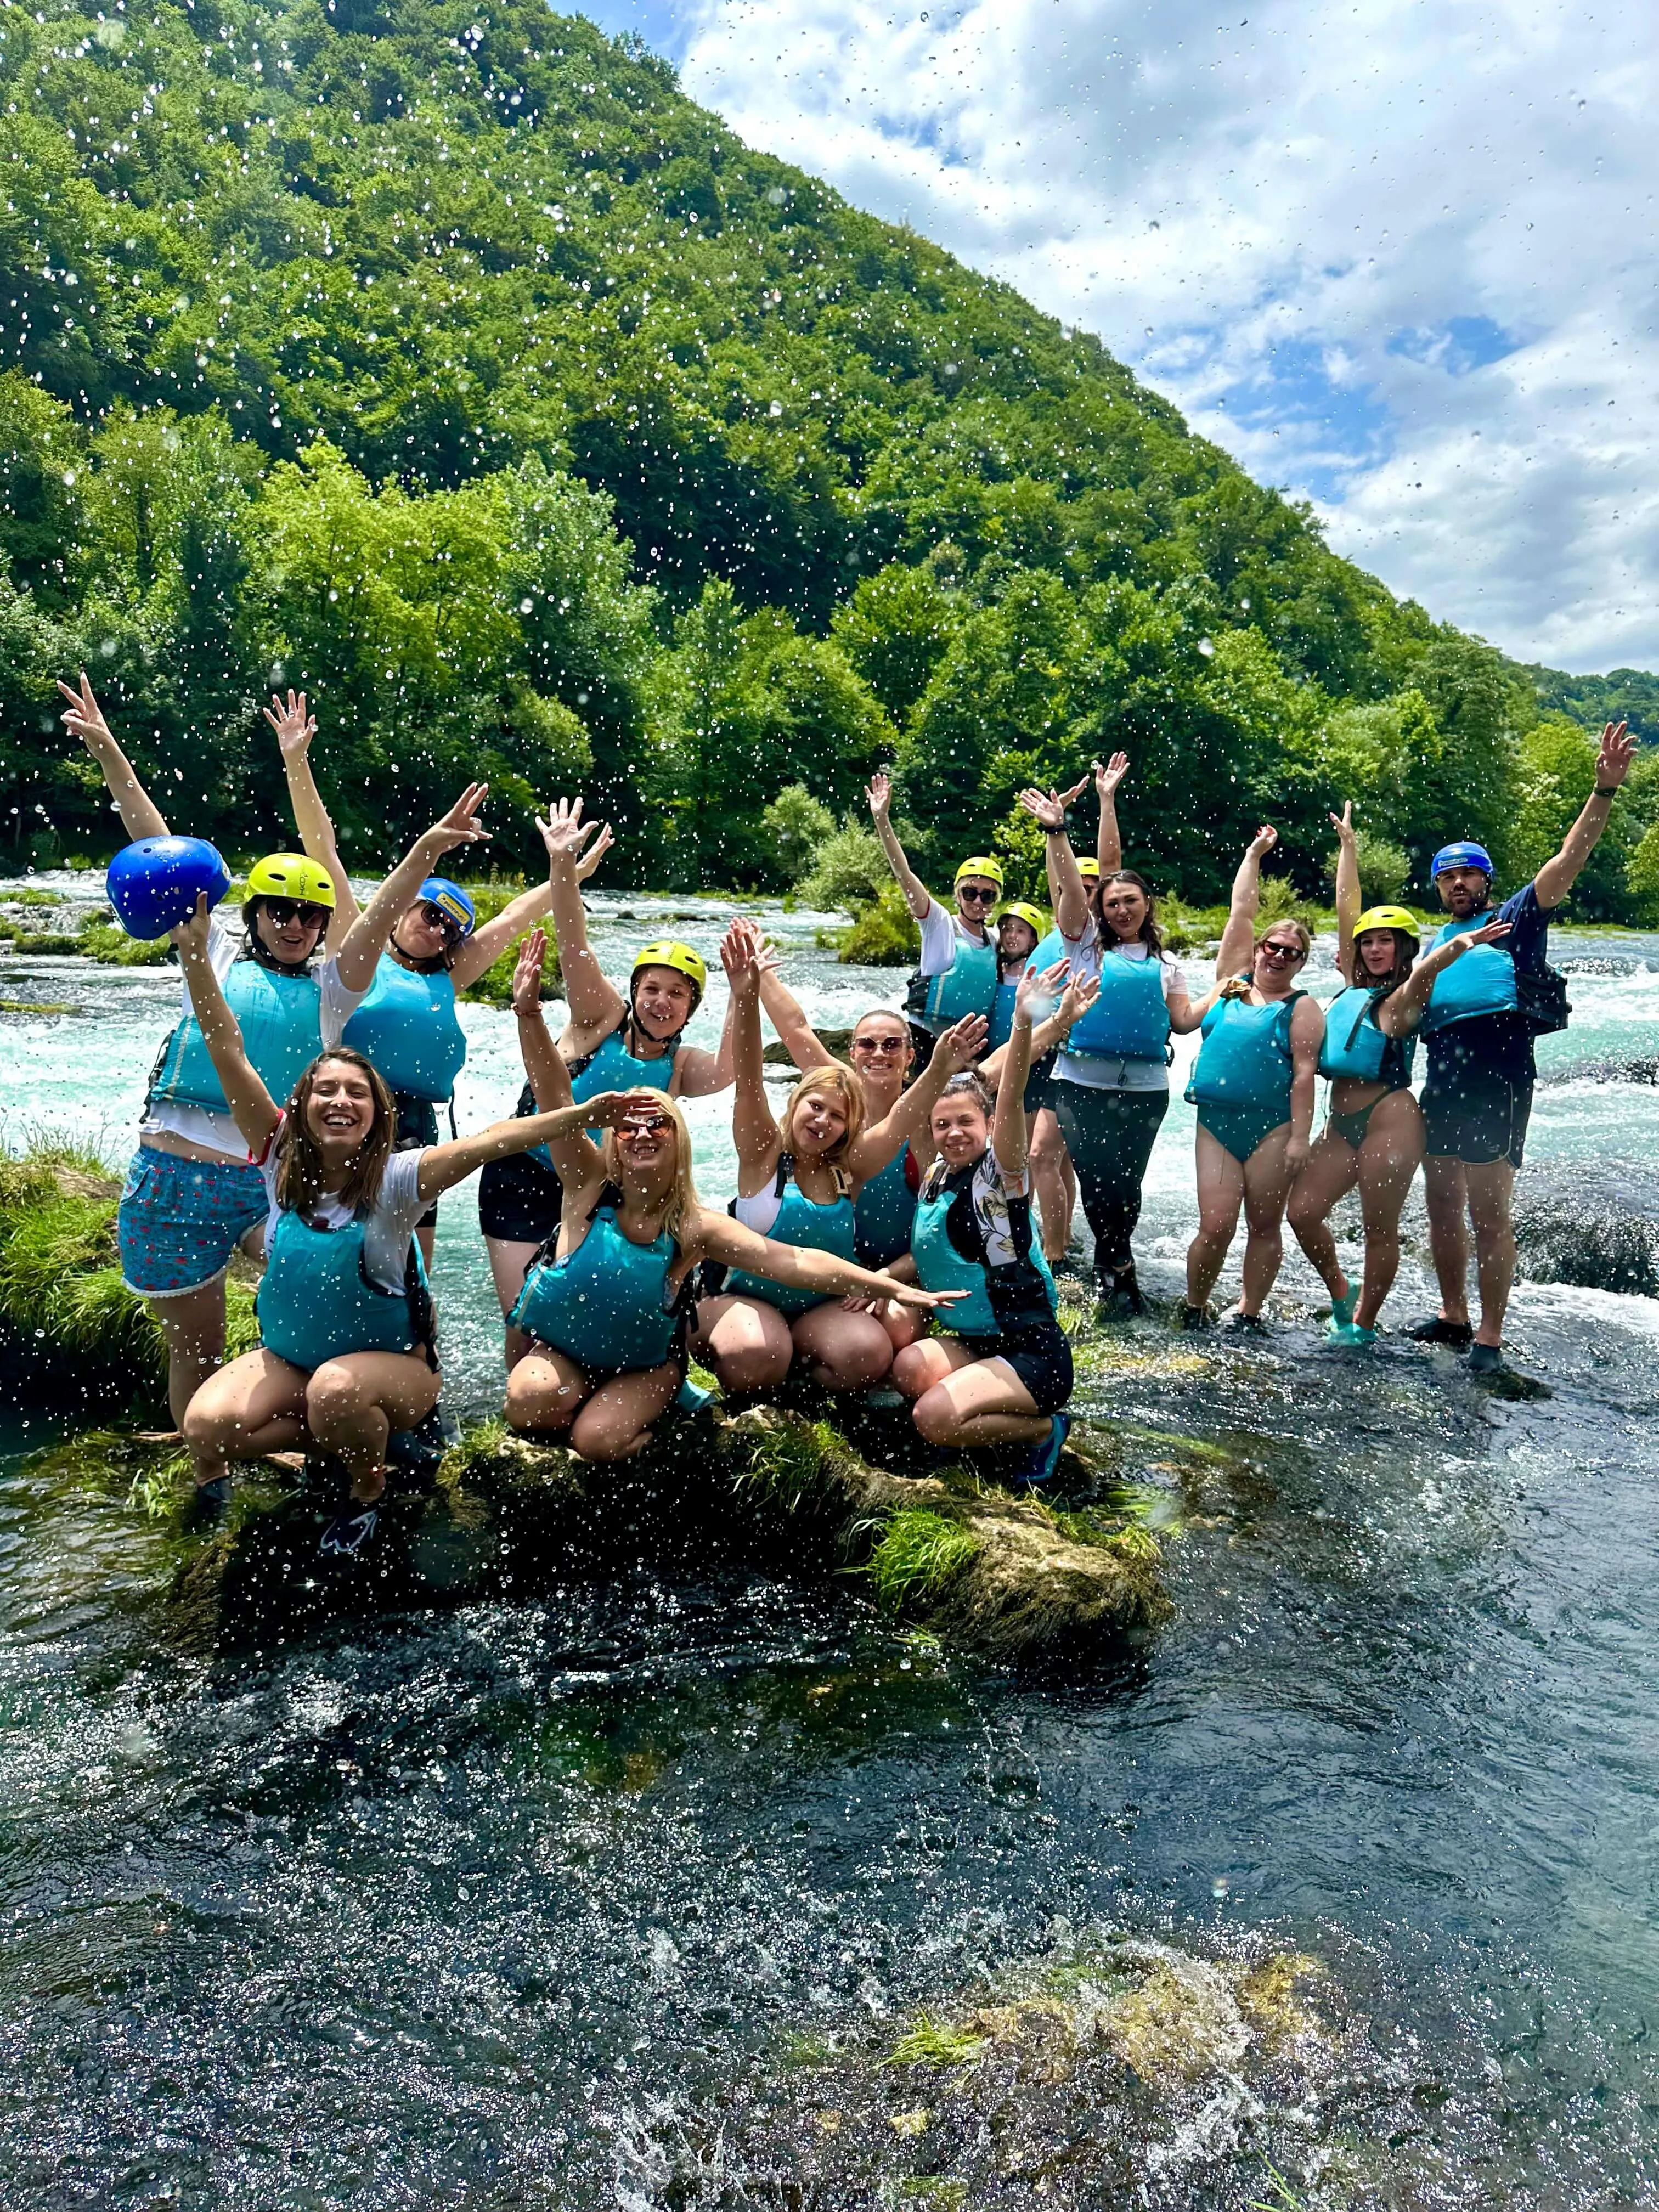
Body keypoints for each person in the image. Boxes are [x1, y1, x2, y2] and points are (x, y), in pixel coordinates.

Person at [164, 903, 596, 1554]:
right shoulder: (277, 1155)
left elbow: (494, 1140)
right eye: (326, 1091)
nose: (341, 1101)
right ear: (301, 1105)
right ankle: (313, 1442)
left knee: (338, 1391)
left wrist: (583, 1113)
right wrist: (198, 956)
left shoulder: (399, 1180)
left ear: (377, 1115)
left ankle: (368, 1484)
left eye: (357, 1094)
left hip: (394, 1373)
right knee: (207, 1424)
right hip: (294, 1363)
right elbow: (228, 1048)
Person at [57, 674, 385, 1460]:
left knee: (334, 1304)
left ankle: (328, 1425)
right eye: (281, 910)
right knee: (195, 1351)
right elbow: (153, 839)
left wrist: (298, 766)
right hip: (175, 1175)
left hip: (272, 1175)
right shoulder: (207, 947)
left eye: (312, 914)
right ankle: (207, 1470)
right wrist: (109, 752)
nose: (299, 924)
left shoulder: (334, 988)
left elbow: (328, 856)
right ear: (252, 916)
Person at [504, 936, 961, 1459]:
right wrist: (529, 1015)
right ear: (610, 1137)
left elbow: (797, 1260)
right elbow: (554, 1092)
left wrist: (893, 1287)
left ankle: (718, 1408)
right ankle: (621, 1400)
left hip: (667, 1356)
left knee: (598, 1439)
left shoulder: (722, 1213)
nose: (645, 1135)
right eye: (632, 1126)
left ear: (680, 1143)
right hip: (618, 1340)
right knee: (527, 1402)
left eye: (660, 1125)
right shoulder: (590, 1180)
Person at [274, 695, 611, 1263]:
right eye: (431, 915)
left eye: (452, 929)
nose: (439, 931)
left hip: (415, 1125)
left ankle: (414, 1344)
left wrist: (567, 874)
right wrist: (296, 761)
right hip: (346, 1109)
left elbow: (510, 921)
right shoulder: (357, 950)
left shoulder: (448, 976)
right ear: (404, 908)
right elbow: (322, 850)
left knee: (409, 1259)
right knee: (326, 1243)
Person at [1401, 721, 1634, 1370]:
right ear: (1437, 886)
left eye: (1468, 874)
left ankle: (1491, 1338)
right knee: (1441, 1205)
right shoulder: (1429, 943)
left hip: (1500, 1075)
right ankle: (1454, 1315)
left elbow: (1567, 861)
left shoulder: (1516, 919)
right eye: (1447, 877)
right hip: (1443, 1076)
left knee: (1489, 1214)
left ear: (1487, 880)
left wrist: (1603, 792)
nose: (1457, 885)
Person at [478, 798, 733, 1365]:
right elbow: (574, 940)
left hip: (600, 1193)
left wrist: (746, 991)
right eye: (653, 989)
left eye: (678, 993)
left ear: (691, 1008)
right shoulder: (601, 1016)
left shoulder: (683, 1065)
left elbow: (732, 1069)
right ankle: (523, 1420)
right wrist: (563, 866)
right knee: (526, 1312)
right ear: (635, 992)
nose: (662, 1001)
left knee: (592, 1307)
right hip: (526, 1174)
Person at [693, 919, 987, 1396]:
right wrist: (747, 993)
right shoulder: (762, 1150)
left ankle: (799, 1377)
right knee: (758, 1353)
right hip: (744, 1297)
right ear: (795, 1104)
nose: (823, 1122)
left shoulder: (849, 1165)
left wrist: (940, 1068)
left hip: (825, 1299)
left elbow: (899, 1119)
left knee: (866, 1354)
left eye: (836, 1117)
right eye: (816, 1108)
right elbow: (750, 1075)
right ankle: (757, 1354)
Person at [754, 958, 1100, 1352]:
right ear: (852, 1053)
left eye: (892, 1045)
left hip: (907, 1268)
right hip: (837, 1263)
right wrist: (760, 974)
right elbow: (796, 1030)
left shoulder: (930, 1110)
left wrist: (1058, 1022)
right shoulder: (836, 1100)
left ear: (910, 1056)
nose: (879, 1054)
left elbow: (1000, 1068)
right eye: (868, 1044)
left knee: (897, 1329)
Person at [1020, 760, 1202, 1317]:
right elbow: (1097, 873)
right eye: (1112, 902)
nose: (1120, 907)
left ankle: (1114, 1261)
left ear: (1147, 906)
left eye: (1131, 901)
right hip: (1080, 1081)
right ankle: (1116, 1265)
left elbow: (1183, 1023)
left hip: (1147, 1087)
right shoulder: (1084, 944)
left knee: (1127, 1186)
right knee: (1100, 1182)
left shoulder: (1166, 961)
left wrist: (1225, 992)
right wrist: (1062, 829)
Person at [890, 957, 1076, 1486]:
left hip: (1030, 1350)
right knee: (907, 1371)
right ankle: (989, 1420)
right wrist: (880, 1282)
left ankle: (1043, 1429)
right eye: (942, 1124)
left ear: (989, 1125)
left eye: (966, 1123)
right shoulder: (935, 1176)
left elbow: (1011, 1088)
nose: (953, 1133)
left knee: (933, 1419)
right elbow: (932, 1251)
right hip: (973, 1343)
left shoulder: (1002, 1178)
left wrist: (1023, 1022)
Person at [1285, 804, 1426, 1345]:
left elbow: (1422, 978)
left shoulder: (1407, 994)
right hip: (1339, 1122)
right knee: (1303, 1211)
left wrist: (1447, 953)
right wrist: (1348, 847)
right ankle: (1342, 1293)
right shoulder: (1352, 981)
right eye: (1369, 942)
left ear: (1403, 949)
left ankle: (1363, 1326)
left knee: (1377, 1228)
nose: (1373, 947)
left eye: (1386, 941)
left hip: (1390, 1119)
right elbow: (1349, 911)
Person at [1182, 827, 1325, 1331]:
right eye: (1274, 947)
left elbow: (1305, 1076)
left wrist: (1301, 1139)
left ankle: (1248, 1310)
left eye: (1291, 952)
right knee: (1216, 1225)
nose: (1279, 956)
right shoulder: (1229, 985)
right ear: (1259, 948)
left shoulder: (1303, 1008)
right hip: (1215, 1124)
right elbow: (1241, 912)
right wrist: (1252, 855)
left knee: (1263, 1225)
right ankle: (1195, 1306)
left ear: (1302, 962)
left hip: (1272, 1130)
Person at [866, 769, 1003, 1064]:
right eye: (970, 892)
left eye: (988, 895)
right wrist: (882, 821)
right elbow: (904, 874)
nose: (978, 900)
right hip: (927, 1039)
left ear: (996, 901)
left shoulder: (997, 940)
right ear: (957, 895)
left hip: (970, 1047)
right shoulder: (939, 923)